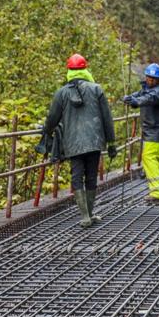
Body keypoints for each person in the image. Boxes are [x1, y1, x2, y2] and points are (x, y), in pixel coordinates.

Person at [41, 54, 117, 228]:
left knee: (77, 177)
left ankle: (85, 216)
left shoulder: (62, 93)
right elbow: (107, 118)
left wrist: (46, 131)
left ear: (69, 71)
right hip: (94, 141)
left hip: (73, 143)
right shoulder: (96, 89)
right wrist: (112, 143)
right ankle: (89, 213)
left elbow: (53, 118)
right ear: (85, 69)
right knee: (91, 176)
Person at [122, 63, 159, 202]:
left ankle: (158, 192)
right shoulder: (147, 89)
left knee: (149, 158)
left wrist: (136, 102)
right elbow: (140, 95)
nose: (150, 81)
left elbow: (148, 99)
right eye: (148, 78)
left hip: (156, 132)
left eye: (153, 79)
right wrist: (129, 98)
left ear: (158, 80)